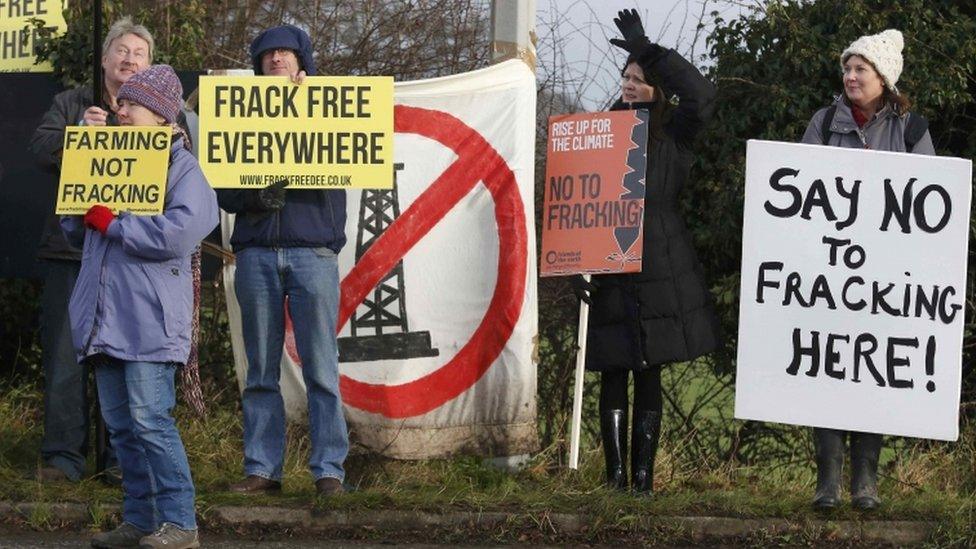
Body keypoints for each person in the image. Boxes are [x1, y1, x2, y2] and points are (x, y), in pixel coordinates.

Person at [62, 64, 217, 549]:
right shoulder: (101, 156)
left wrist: (116, 225)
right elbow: (72, 230)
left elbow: (184, 230)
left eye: (131, 104)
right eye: (120, 103)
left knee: (151, 421)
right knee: (123, 426)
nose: (120, 110)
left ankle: (181, 524)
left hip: (148, 316)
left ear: (160, 115)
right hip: (103, 317)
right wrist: (77, 202)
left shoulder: (181, 167)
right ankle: (142, 519)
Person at [570, 10, 720, 493]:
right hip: (611, 262)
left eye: (639, 78)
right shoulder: (603, 129)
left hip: (659, 259)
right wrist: (575, 259)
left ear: (656, 84)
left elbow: (703, 94)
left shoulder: (675, 131)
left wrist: (651, 50)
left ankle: (643, 478)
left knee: (649, 369)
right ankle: (615, 480)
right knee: (613, 366)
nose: (630, 84)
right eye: (626, 76)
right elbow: (580, 200)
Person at [800, 29, 934, 511]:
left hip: (886, 283)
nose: (851, 76)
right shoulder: (822, 123)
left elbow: (928, 207)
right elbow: (799, 197)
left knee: (871, 371)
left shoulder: (912, 130)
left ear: (884, 78)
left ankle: (865, 483)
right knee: (828, 368)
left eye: (861, 69)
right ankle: (828, 483)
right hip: (831, 274)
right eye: (848, 68)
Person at [219, 24, 349, 497]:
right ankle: (262, 469)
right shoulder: (235, 118)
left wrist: (313, 113)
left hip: (312, 252)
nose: (276, 59)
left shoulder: (330, 110)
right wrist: (255, 196)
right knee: (259, 371)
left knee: (321, 368)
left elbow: (353, 162)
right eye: (268, 54)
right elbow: (224, 190)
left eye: (286, 53)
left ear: (302, 61)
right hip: (255, 255)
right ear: (257, 65)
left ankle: (329, 470)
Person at [29, 16, 155, 484]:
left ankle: (120, 462)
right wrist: (77, 134)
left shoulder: (159, 111)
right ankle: (63, 460)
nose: (129, 59)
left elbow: (182, 162)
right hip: (70, 253)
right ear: (103, 60)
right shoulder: (70, 103)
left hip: (129, 256)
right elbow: (39, 149)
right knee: (65, 359)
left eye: (138, 53)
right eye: (121, 50)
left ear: (150, 65)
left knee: (122, 360)